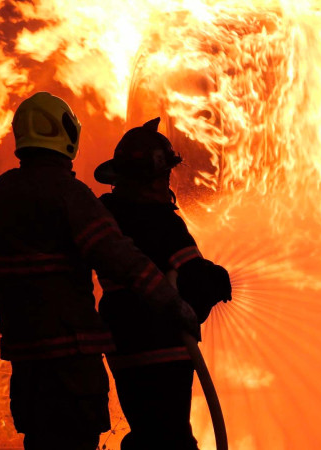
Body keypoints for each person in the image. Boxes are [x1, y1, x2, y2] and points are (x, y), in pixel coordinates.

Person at [0, 93, 199, 450]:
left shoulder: (2, 193)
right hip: (71, 358)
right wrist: (172, 303)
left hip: (26, 357)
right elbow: (117, 256)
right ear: (64, 133)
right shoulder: (69, 195)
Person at [94, 117, 232, 450]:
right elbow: (195, 282)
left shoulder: (107, 217)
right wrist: (219, 279)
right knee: (171, 440)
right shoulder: (160, 223)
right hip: (163, 347)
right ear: (151, 179)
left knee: (148, 434)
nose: (166, 183)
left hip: (123, 346)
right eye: (165, 175)